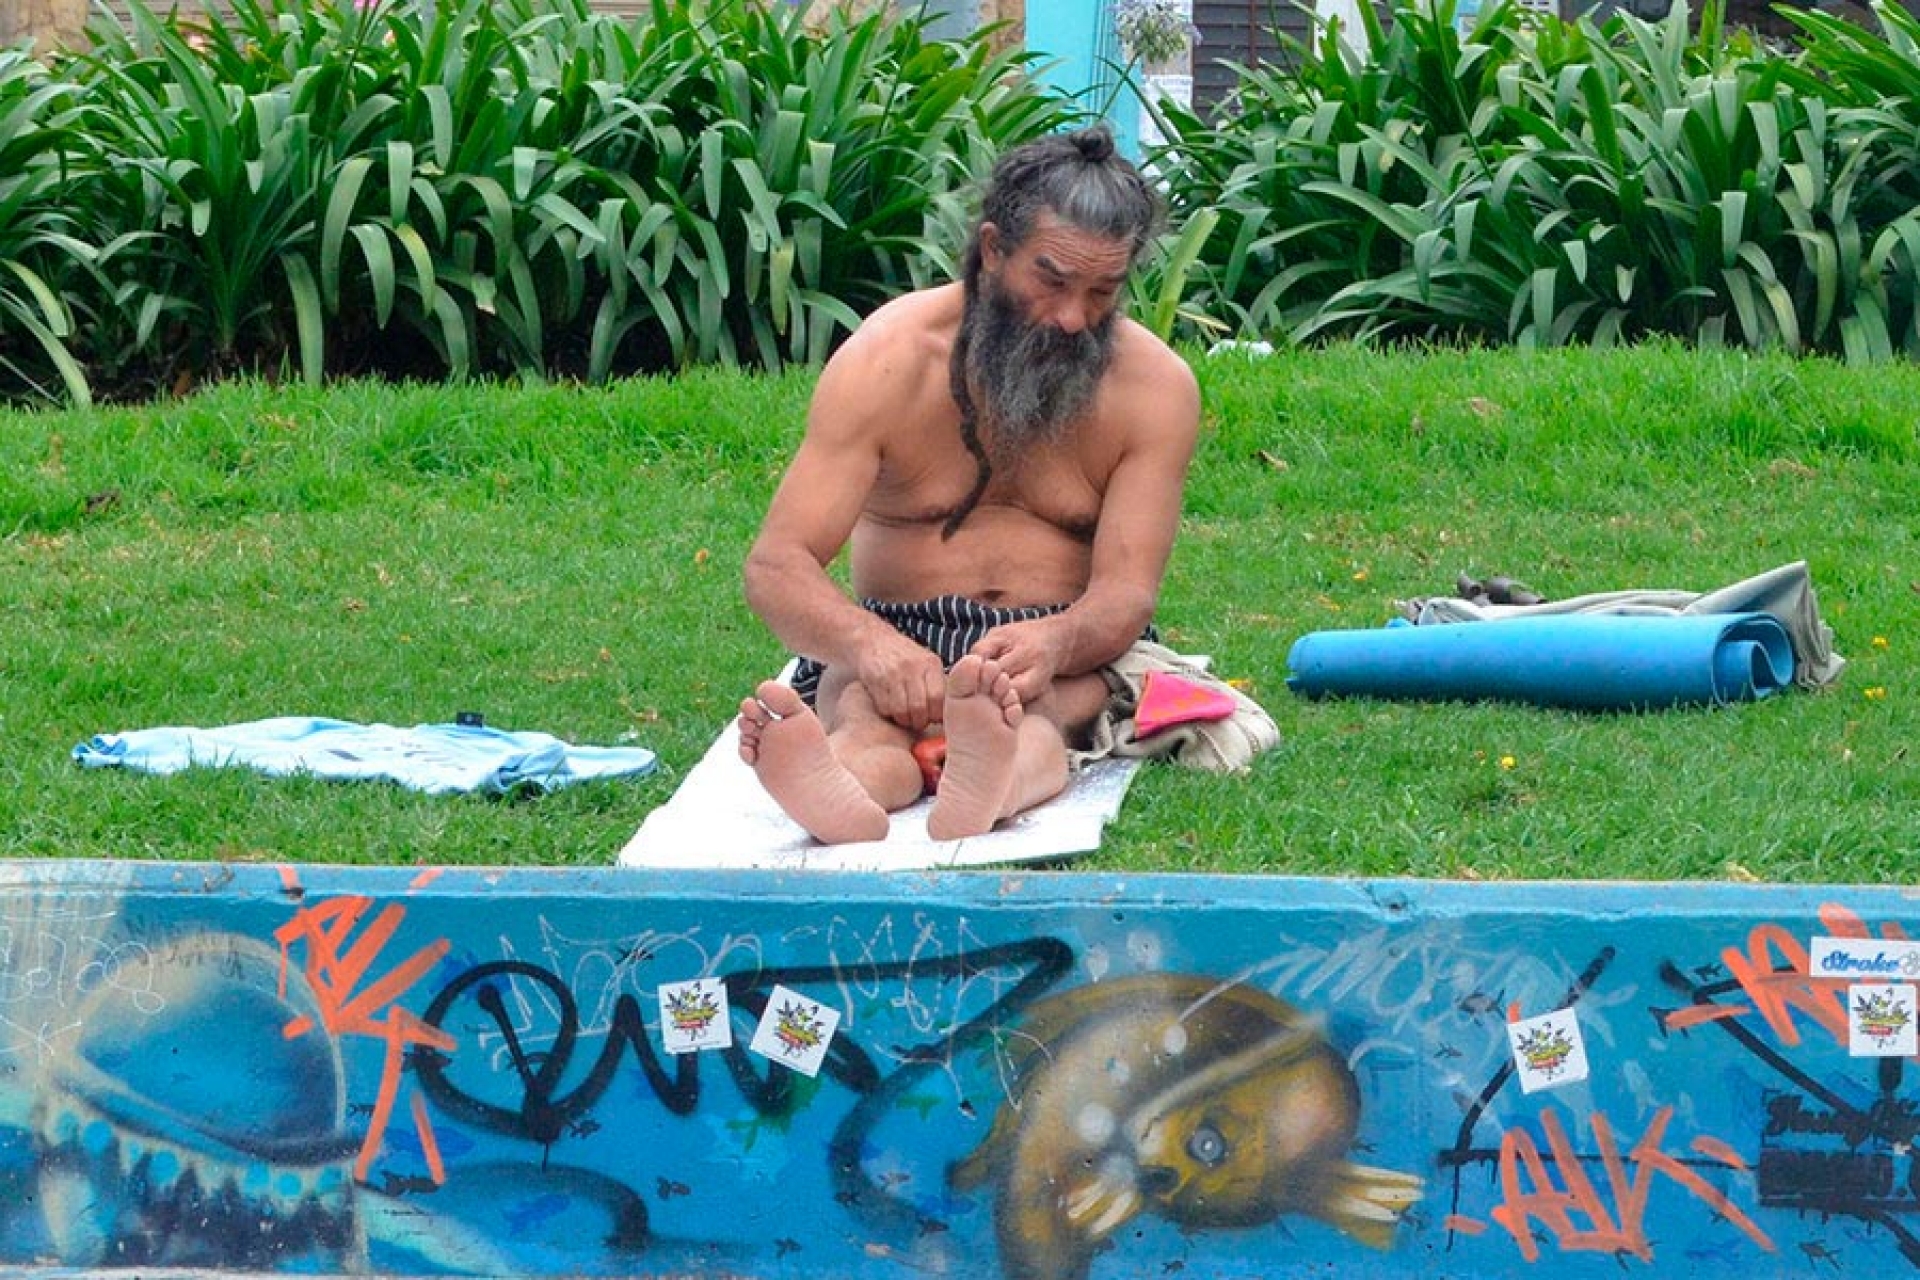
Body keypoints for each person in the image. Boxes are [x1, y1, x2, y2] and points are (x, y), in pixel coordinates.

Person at [736, 124, 1200, 845]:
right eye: (1052, 280)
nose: (1072, 318)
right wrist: (871, 646)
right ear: (992, 250)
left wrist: (1055, 642)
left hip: (1062, 651)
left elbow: (1125, 593)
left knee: (1046, 719)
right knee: (861, 707)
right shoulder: (888, 359)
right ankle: (841, 788)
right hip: (899, 636)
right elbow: (777, 566)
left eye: (1102, 292)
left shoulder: (1154, 387)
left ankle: (992, 780)